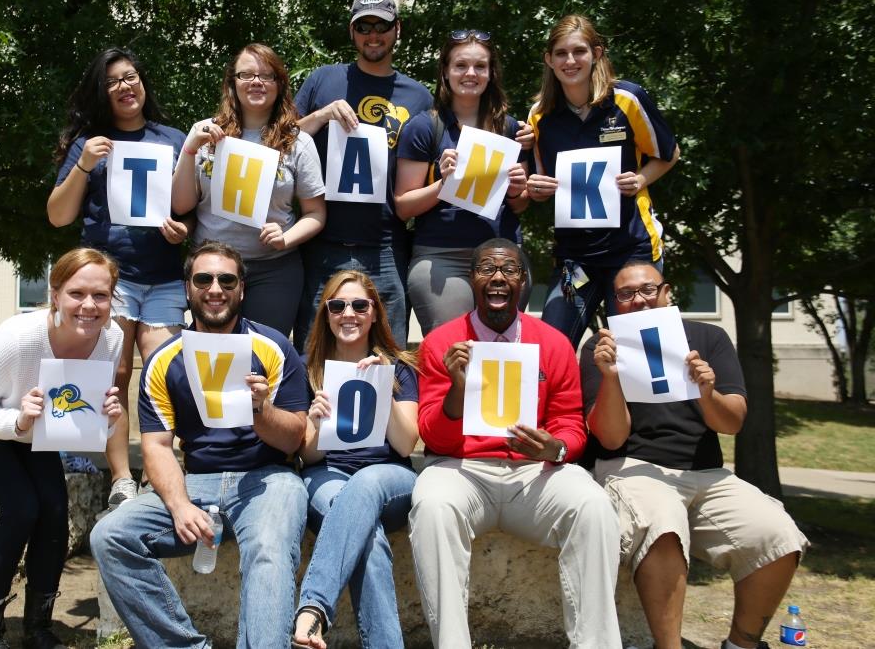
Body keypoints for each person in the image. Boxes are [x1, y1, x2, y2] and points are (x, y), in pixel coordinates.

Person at [90, 240, 310, 649]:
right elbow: (156, 446)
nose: (215, 289)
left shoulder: (274, 347)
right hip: (197, 481)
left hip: (268, 479)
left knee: (269, 549)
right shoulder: (164, 358)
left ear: (242, 288)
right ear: (187, 288)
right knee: (110, 536)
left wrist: (261, 409)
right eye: (203, 279)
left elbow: (294, 436)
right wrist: (178, 504)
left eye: (227, 279)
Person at [581, 261, 808, 649]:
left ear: (668, 292)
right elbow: (611, 437)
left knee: (778, 535)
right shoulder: (600, 348)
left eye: (648, 290)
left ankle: (741, 644)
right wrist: (611, 377)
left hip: (706, 473)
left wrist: (706, 392)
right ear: (614, 304)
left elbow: (732, 422)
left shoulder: (709, 337)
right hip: (632, 467)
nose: (639, 300)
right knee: (663, 524)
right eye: (626, 294)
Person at [409, 238, 622, 648]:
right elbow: (432, 435)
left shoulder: (554, 343)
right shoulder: (442, 343)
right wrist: (456, 389)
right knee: (432, 505)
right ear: (472, 279)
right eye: (487, 268)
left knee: (593, 506)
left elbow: (571, 425)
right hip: (462, 469)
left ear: (523, 281)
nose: (498, 278)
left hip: (534, 473)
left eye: (509, 270)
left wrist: (554, 448)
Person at [0, 248, 125, 649]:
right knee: (21, 509)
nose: (89, 305)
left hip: (30, 431)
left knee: (54, 512)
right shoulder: (19, 337)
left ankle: (38, 628)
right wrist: (16, 422)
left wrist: (108, 415)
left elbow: (81, 420)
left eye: (101, 296)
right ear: (55, 295)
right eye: (77, 293)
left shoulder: (112, 338)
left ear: (112, 298)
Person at [48, 47, 188, 507]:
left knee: (167, 370)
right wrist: (85, 162)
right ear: (101, 93)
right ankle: (121, 477)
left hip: (165, 277)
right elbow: (58, 215)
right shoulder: (90, 143)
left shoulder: (173, 138)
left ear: (143, 83)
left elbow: (191, 205)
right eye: (113, 81)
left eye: (131, 77)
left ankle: (164, 467)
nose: (125, 87)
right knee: (114, 371)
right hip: (112, 280)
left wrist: (182, 227)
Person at [522, 15, 680, 348]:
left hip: (632, 250)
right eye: (561, 53)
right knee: (550, 349)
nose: (570, 61)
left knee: (641, 354)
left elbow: (669, 153)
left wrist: (639, 180)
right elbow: (540, 188)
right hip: (574, 258)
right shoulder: (540, 115)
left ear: (596, 53)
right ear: (548, 59)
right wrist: (537, 190)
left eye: (579, 51)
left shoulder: (627, 99)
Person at [293, 0, 434, 350]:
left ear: (397, 29)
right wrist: (321, 115)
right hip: (323, 242)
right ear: (352, 32)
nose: (373, 35)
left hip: (386, 245)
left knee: (390, 354)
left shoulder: (419, 96)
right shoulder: (323, 80)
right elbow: (282, 143)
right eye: (364, 26)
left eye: (382, 26)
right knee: (314, 353)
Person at [292, 270, 419, 648]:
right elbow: (308, 455)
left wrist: (386, 391)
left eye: (360, 305)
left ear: (375, 313)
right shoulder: (306, 368)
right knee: (369, 539)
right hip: (327, 474)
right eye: (338, 305)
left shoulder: (399, 366)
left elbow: (406, 444)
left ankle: (313, 608)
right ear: (326, 314)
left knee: (365, 483)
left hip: (390, 477)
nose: (349, 314)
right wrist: (314, 420)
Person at [172, 43, 326, 337]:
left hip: (274, 270)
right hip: (212, 270)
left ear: (279, 84)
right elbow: (181, 206)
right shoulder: (204, 132)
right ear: (232, 83)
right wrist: (190, 149)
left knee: (263, 360)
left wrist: (286, 237)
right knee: (211, 359)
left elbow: (316, 213)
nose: (256, 82)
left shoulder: (299, 142)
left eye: (267, 75)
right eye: (246, 75)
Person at [395, 30, 529, 335]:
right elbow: (403, 207)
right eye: (461, 66)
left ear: (491, 72)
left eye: (480, 66)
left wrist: (519, 189)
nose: (471, 73)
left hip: (502, 255)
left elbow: (519, 205)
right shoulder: (424, 127)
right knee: (455, 352)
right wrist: (443, 184)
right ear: (445, 70)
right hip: (442, 258)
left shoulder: (510, 128)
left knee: (503, 354)